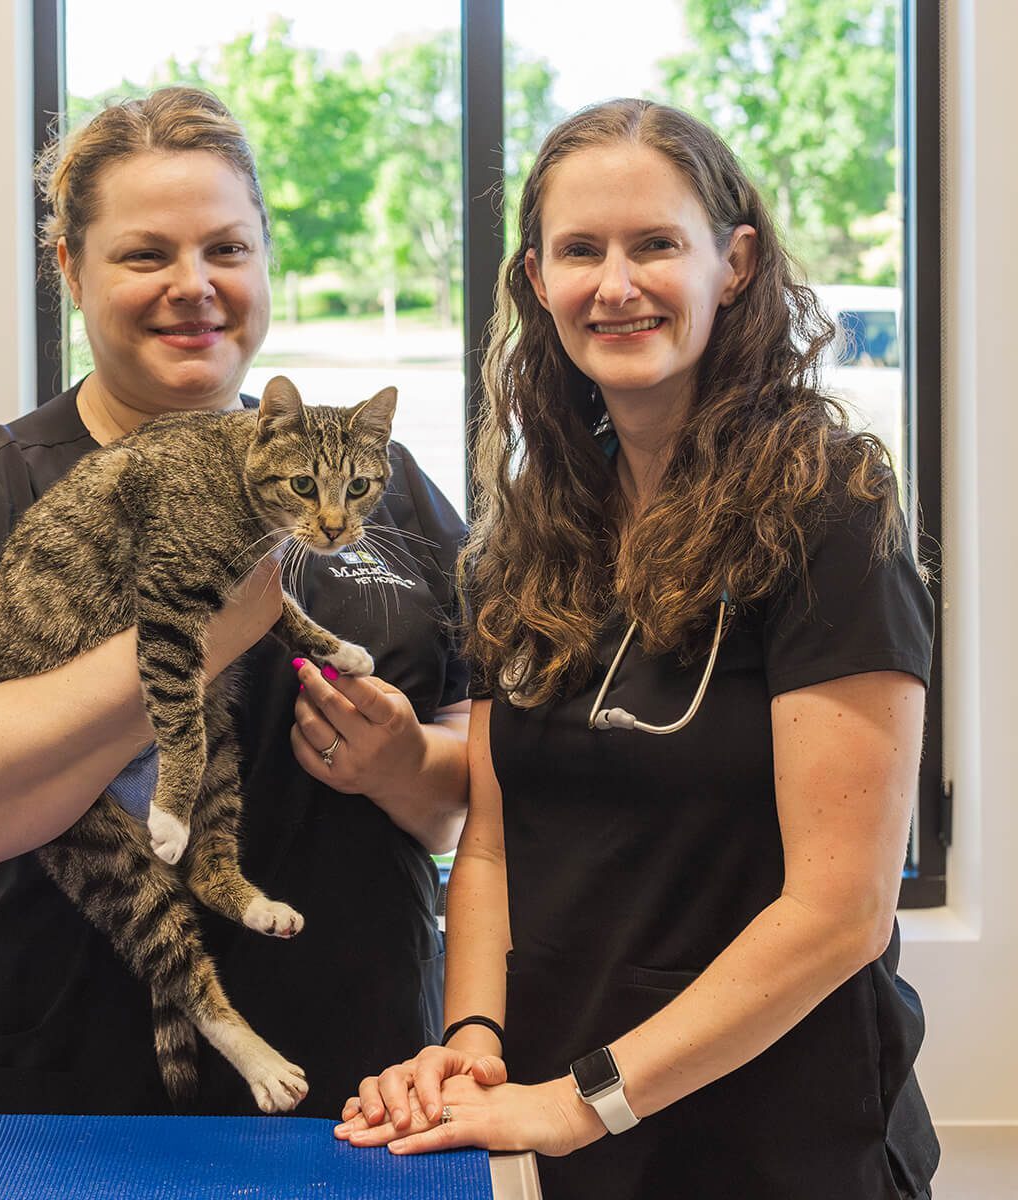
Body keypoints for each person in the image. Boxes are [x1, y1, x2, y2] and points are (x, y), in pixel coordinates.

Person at [335, 99, 938, 1199]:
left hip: (775, 1141)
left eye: (655, 243)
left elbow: (840, 912)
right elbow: (493, 845)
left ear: (736, 262)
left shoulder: (831, 511)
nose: (616, 285)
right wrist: (475, 1036)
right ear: (536, 281)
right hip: (564, 1137)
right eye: (580, 251)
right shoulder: (537, 525)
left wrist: (583, 1099)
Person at [0, 86, 469, 1118]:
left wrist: (411, 766)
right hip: (44, 1098)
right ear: (70, 269)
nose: (195, 287)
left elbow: (484, 780)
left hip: (359, 1089)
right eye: (147, 255)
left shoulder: (379, 481)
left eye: (227, 249)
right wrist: (200, 632)